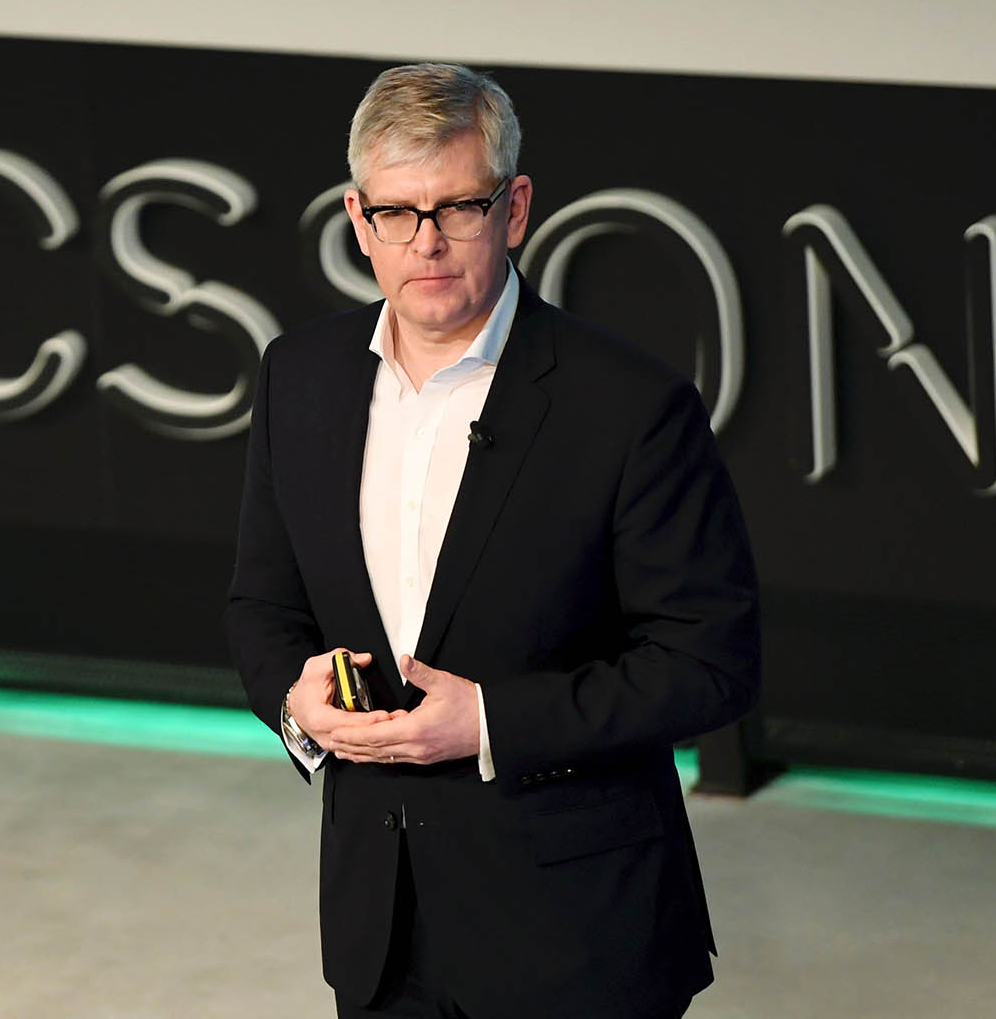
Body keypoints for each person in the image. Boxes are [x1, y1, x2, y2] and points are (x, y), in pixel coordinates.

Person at [224, 63, 761, 1018]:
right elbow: (263, 606)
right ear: (358, 219)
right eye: (398, 213)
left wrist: (488, 724)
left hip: (580, 937)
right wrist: (295, 705)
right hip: (379, 928)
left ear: (514, 209)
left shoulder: (629, 405)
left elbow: (709, 664)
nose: (426, 244)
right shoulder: (297, 377)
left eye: (458, 208)